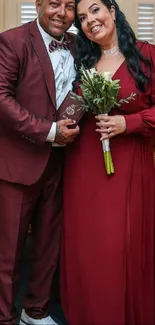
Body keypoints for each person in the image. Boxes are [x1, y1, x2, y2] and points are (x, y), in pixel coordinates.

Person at [60, 0, 155, 324]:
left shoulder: (147, 54)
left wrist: (129, 123)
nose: (90, 21)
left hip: (127, 164)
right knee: (86, 247)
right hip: (81, 164)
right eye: (83, 18)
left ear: (113, 11)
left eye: (96, 10)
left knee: (117, 247)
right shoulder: (82, 61)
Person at [0, 0, 79, 324]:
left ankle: (35, 312)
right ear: (38, 5)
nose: (61, 12)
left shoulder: (78, 44)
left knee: (48, 247)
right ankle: (5, 317)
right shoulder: (12, 40)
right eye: (54, 4)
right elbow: (1, 97)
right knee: (9, 253)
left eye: (70, 6)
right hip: (19, 164)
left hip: (64, 164)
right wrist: (48, 131)